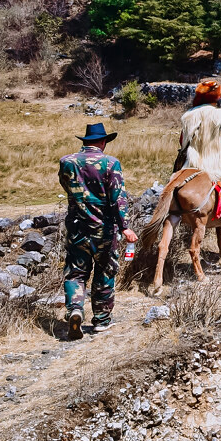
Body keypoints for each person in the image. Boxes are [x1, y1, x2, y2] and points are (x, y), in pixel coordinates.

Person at [58, 123, 137, 341]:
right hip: (104, 230)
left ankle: (75, 309)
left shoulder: (67, 162)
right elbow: (118, 198)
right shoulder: (111, 163)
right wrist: (125, 227)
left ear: (85, 141)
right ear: (103, 142)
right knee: (104, 271)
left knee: (76, 272)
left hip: (77, 228)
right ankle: (101, 320)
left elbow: (68, 188)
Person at [179, 80, 221, 259]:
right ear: (216, 97)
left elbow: (182, 142)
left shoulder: (188, 116)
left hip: (193, 163)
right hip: (218, 162)